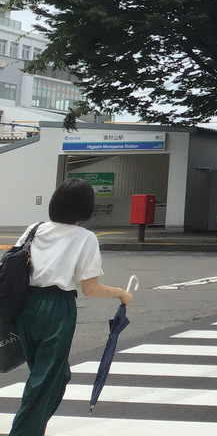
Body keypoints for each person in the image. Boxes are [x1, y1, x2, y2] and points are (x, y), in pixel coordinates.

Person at [10, 178, 134, 436]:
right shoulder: (85, 238)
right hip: (57, 309)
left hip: (25, 306)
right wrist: (120, 293)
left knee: (51, 375)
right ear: (86, 207)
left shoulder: (35, 229)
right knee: (46, 380)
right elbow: (90, 289)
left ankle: (34, 428)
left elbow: (13, 263)